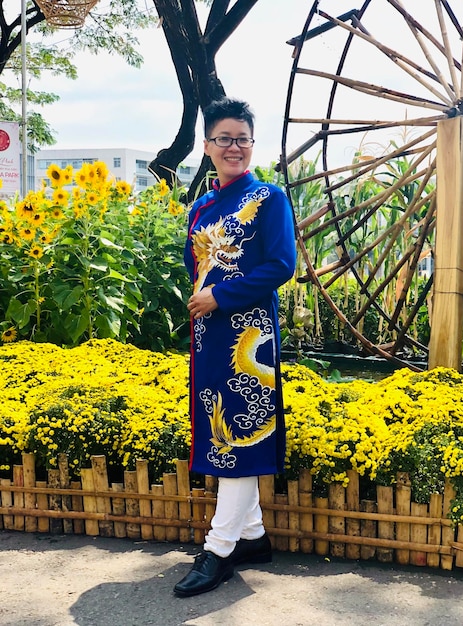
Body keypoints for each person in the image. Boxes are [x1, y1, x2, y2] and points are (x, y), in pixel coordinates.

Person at [174, 97, 297, 598]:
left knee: (240, 434)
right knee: (219, 426)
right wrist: (206, 295)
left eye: (242, 139)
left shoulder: (270, 199)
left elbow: (280, 265)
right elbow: (194, 262)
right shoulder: (202, 206)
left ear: (251, 144)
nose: (234, 147)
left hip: (249, 334)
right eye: (224, 138)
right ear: (207, 146)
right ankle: (252, 537)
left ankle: (219, 548)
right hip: (209, 333)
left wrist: (221, 295)